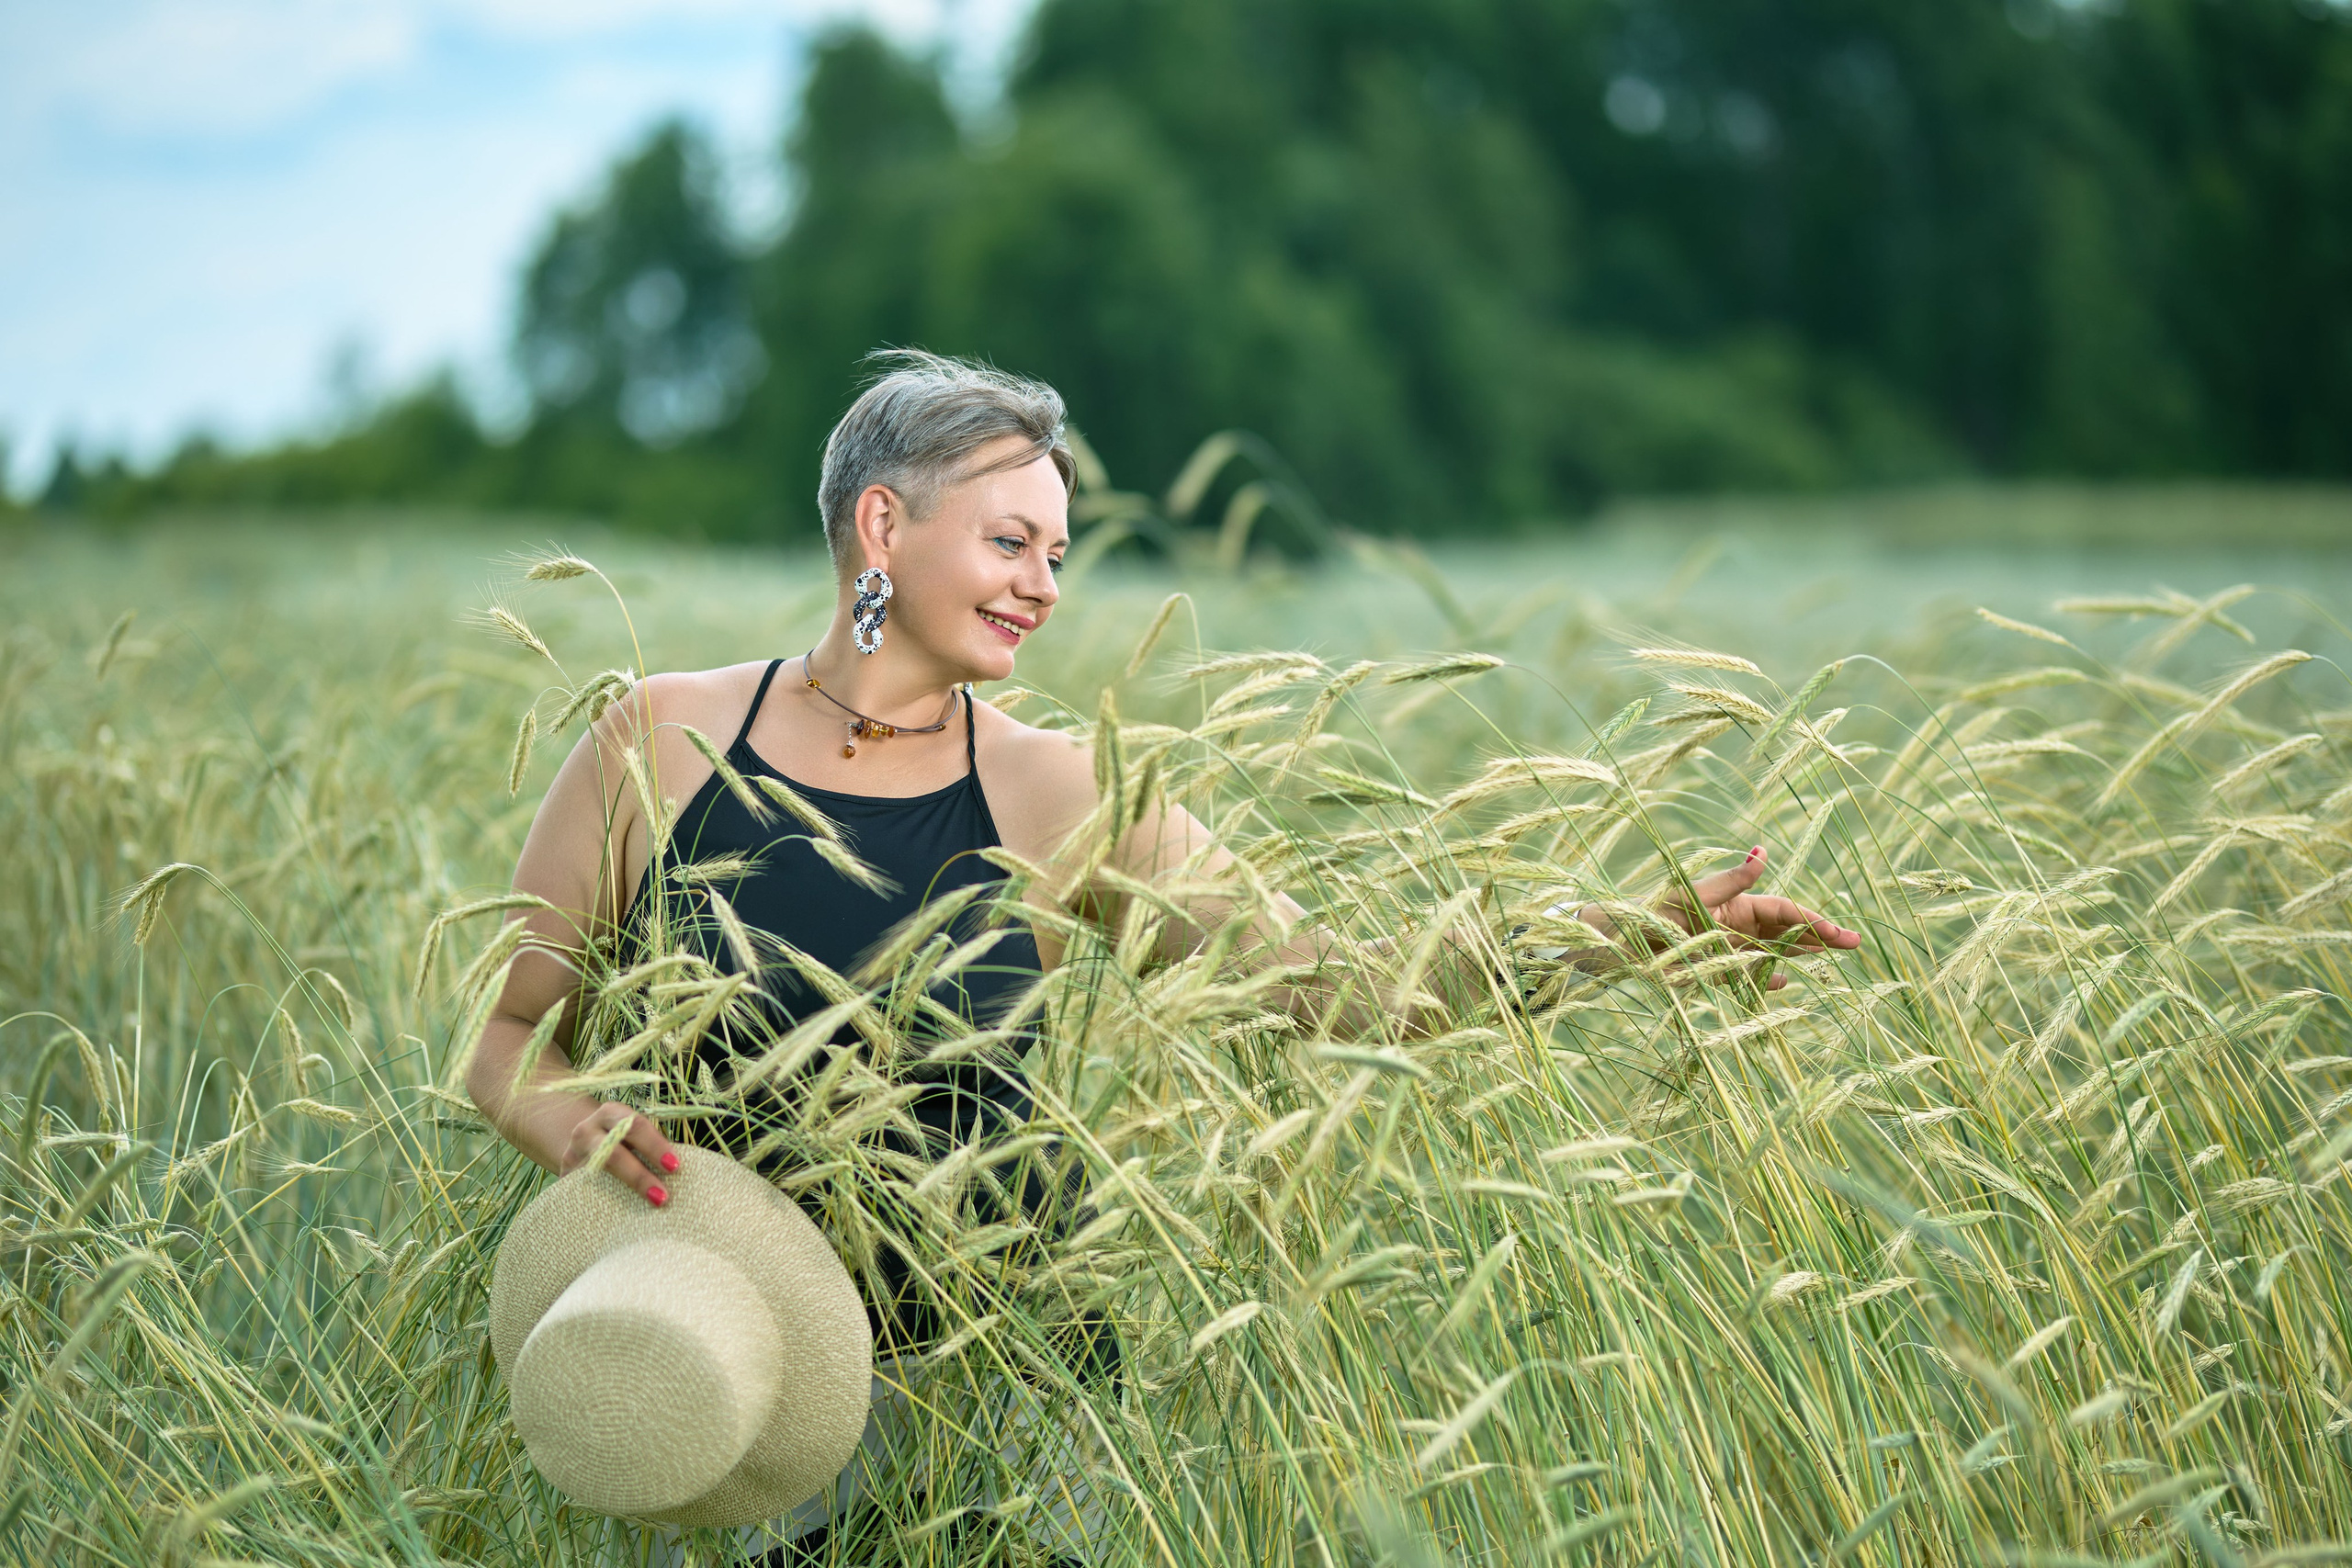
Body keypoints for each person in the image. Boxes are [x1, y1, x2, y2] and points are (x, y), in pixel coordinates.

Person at [464, 350, 1862, 1562]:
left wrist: (1638, 934)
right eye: (1012, 543)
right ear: (882, 524)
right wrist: (559, 1113)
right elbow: (509, 1032)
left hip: (1005, 1405)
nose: (1044, 588)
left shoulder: (1066, 793)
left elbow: (1344, 991)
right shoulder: (654, 739)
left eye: (1059, 557)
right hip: (733, 1377)